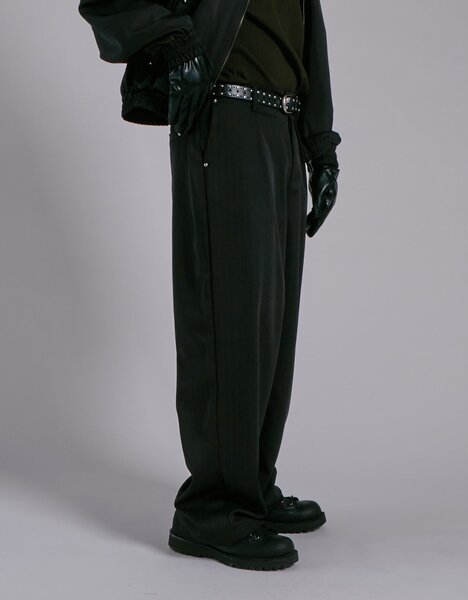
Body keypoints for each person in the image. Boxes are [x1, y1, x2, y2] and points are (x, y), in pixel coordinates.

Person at [78, 0, 341, 571]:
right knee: (227, 312)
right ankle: (213, 510)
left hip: (283, 127)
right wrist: (176, 44)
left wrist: (320, 145)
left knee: (270, 324)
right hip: (224, 113)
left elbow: (307, 34)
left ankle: (251, 486)